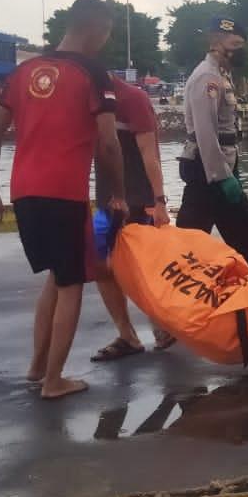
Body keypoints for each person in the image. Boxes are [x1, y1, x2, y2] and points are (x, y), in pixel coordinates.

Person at [0, 0, 126, 401]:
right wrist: (117, 194)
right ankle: (54, 381)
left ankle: (38, 365)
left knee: (56, 278)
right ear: (97, 29)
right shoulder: (93, 74)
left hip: (23, 190)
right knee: (74, 282)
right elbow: (109, 144)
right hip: (64, 192)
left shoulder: (23, 71)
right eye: (106, 34)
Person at [88, 76, 178, 362]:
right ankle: (127, 334)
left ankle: (163, 325)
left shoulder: (133, 99)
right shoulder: (87, 100)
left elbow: (149, 154)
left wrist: (159, 202)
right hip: (107, 198)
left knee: (143, 268)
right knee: (100, 264)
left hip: (138, 199)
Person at [176, 17, 248, 272]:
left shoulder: (220, 74)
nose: (241, 50)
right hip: (207, 167)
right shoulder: (208, 77)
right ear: (217, 42)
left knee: (201, 237)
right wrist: (221, 176)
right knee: (198, 240)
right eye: (236, 44)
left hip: (219, 163)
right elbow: (206, 133)